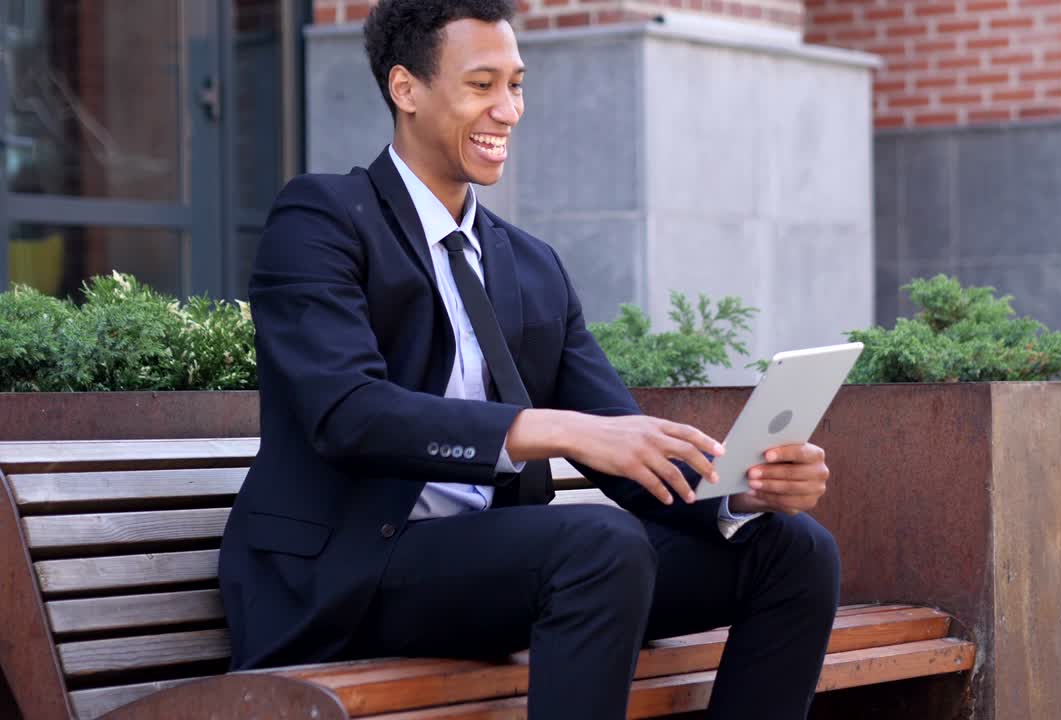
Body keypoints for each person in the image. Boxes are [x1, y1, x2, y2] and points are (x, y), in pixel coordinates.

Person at [217, 0, 839, 717]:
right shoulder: (322, 219)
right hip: (352, 575)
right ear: (406, 89)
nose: (507, 110)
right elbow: (347, 415)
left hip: (493, 570)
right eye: (481, 84)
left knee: (794, 550)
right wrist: (553, 429)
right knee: (597, 544)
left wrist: (740, 490)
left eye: (515, 84)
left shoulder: (530, 265)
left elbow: (621, 448)